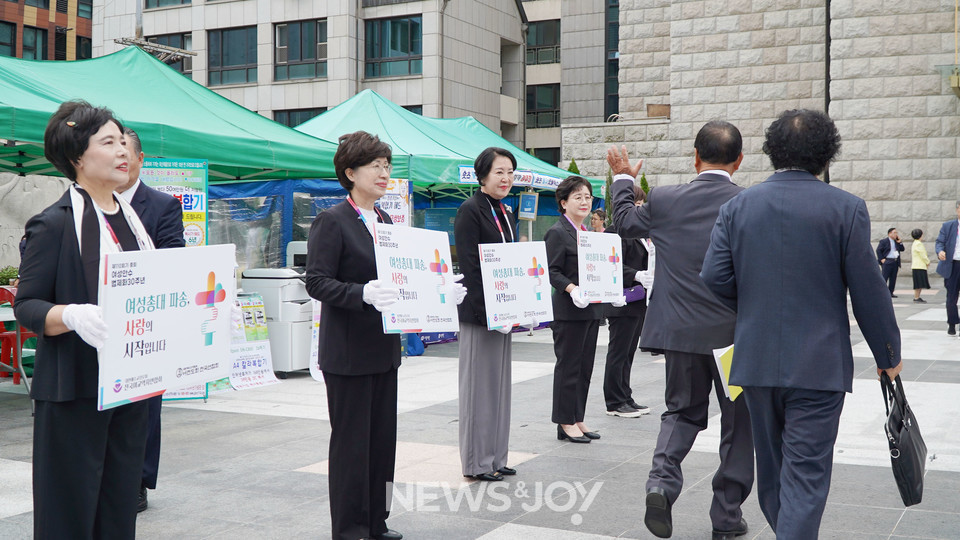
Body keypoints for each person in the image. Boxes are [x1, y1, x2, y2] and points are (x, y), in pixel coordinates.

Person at [701, 109, 903, 539]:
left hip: (755, 361)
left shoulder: (738, 206)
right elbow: (870, 291)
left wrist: (756, 306)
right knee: (806, 476)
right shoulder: (846, 208)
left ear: (772, 151)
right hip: (819, 364)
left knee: (773, 472)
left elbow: (714, 277)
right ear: (826, 154)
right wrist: (889, 355)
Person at [607, 120, 754, 540]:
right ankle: (726, 518)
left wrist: (622, 178)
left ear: (694, 157)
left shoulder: (666, 199)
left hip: (681, 333)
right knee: (738, 425)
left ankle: (661, 483)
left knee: (681, 412)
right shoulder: (749, 204)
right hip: (734, 340)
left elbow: (623, 222)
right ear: (739, 161)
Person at [15, 100, 155, 539]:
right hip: (74, 389)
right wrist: (69, 314)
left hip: (129, 386)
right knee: (69, 509)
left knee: (117, 504)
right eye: (108, 142)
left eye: (123, 143)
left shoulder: (135, 221)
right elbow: (27, 305)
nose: (123, 152)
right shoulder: (54, 224)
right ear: (77, 156)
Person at [306, 131, 423, 540]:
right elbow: (317, 282)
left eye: (387, 165)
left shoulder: (387, 220)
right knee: (351, 446)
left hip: (383, 349)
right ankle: (351, 527)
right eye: (375, 165)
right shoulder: (332, 220)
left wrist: (436, 291)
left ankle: (377, 519)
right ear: (350, 172)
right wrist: (362, 293)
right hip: (348, 353)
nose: (383, 172)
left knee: (380, 443)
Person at [116, 127, 186, 512]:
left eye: (125, 150)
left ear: (141, 159)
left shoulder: (161, 205)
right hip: (105, 322)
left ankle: (139, 480)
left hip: (148, 320)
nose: (118, 158)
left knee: (145, 407)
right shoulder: (89, 202)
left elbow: (175, 258)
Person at [454, 147, 519, 481]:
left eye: (509, 171)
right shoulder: (470, 210)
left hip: (503, 312)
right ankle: (477, 462)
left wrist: (517, 307)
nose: (506, 178)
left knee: (500, 388)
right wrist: (488, 313)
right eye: (499, 172)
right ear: (482, 176)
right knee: (479, 389)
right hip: (481, 314)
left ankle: (496, 457)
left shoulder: (505, 211)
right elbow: (471, 268)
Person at [546, 175, 611, 443]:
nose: (585, 202)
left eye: (587, 197)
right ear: (564, 203)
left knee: (584, 367)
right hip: (569, 311)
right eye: (578, 197)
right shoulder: (557, 232)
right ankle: (564, 421)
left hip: (590, 310)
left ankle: (577, 417)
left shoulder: (588, 234)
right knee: (568, 366)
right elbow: (552, 271)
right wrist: (572, 289)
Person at [602, 184, 651, 418]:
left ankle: (625, 395)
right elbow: (610, 265)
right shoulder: (614, 232)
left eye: (641, 205)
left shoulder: (642, 234)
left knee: (629, 351)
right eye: (635, 205)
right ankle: (614, 400)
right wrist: (636, 274)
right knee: (618, 351)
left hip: (639, 300)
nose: (639, 210)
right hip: (621, 299)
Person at [935, 201, 960, 335]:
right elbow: (939, 242)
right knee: (951, 298)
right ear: (957, 210)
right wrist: (940, 252)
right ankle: (952, 323)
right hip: (953, 265)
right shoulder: (948, 226)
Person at [876, 227, 904, 297]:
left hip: (895, 261)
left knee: (893, 278)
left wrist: (900, 242)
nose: (896, 234)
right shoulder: (884, 241)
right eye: (894, 233)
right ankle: (881, 292)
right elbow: (878, 250)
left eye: (896, 233)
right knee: (884, 277)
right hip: (887, 261)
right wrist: (882, 259)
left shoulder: (896, 241)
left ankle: (890, 292)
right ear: (889, 234)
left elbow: (902, 249)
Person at [911, 228, 930, 303]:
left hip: (917, 266)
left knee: (919, 283)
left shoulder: (915, 243)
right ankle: (916, 297)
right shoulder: (918, 244)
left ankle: (917, 297)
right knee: (919, 283)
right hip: (919, 266)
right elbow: (923, 255)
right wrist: (927, 261)